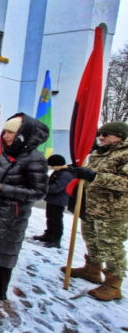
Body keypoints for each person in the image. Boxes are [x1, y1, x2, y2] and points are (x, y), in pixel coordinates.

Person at [0, 114, 48, 300]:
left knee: (0, 252)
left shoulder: (35, 159)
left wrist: (2, 188)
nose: (4, 136)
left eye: (10, 132)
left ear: (22, 134)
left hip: (11, 214)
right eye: (4, 132)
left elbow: (38, 192)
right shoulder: (9, 153)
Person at [61, 122, 127, 301]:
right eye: (101, 133)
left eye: (107, 134)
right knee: (91, 239)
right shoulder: (98, 153)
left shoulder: (124, 154)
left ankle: (113, 284)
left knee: (111, 246)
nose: (102, 137)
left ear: (120, 136)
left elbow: (125, 182)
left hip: (113, 212)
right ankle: (92, 269)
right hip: (91, 207)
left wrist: (95, 177)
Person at [32, 154, 74, 248]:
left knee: (56, 221)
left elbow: (56, 188)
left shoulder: (66, 175)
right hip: (53, 200)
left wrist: (43, 187)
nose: (51, 167)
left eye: (52, 165)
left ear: (57, 164)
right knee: (50, 218)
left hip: (58, 201)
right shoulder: (59, 172)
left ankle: (56, 239)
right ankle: (49, 235)